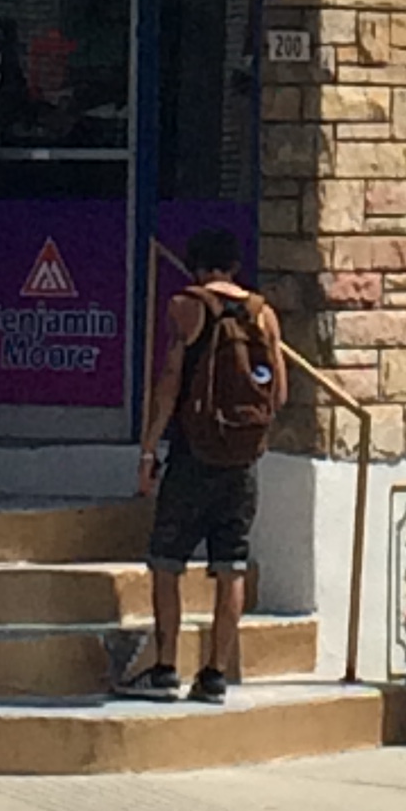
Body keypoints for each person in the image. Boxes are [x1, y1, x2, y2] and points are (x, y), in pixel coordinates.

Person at [124, 229, 286, 702]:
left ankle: (165, 668)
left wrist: (148, 451)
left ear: (196, 266)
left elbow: (170, 383)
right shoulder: (263, 314)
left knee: (167, 561)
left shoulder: (186, 306)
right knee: (230, 566)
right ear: (234, 266)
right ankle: (215, 675)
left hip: (193, 456)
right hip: (242, 461)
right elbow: (278, 394)